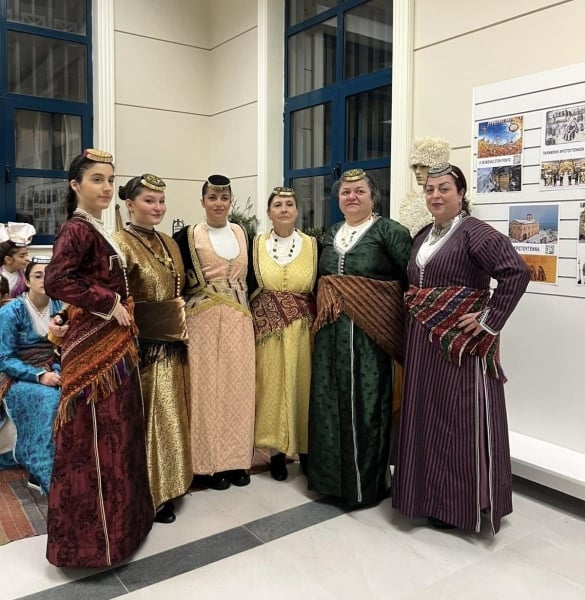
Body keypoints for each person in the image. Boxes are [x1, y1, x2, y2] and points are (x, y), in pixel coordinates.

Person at [392, 162, 530, 534]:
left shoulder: (475, 233)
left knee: (457, 419)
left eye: (444, 189)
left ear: (461, 193)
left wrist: (489, 319)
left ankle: (456, 504)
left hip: (461, 346)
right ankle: (423, 497)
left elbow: (516, 272)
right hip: (423, 341)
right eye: (430, 190)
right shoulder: (423, 235)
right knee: (425, 415)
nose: (435, 196)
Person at [44, 149, 153, 567]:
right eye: (96, 179)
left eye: (110, 179)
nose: (106, 187)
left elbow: (78, 284)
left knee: (118, 435)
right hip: (95, 355)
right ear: (75, 185)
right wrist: (109, 303)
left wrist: (86, 310)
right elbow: (57, 279)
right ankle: (93, 545)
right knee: (95, 439)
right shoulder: (76, 229)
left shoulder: (95, 227)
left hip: (113, 346)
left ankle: (123, 532)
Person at [308, 168, 412, 508]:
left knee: (367, 406)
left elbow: (408, 283)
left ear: (373, 197)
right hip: (330, 336)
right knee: (328, 401)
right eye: (345, 192)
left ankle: (364, 486)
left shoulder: (390, 231)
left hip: (370, 338)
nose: (351, 197)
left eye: (359, 191)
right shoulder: (331, 232)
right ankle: (330, 482)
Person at [114, 174, 192, 524]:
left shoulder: (169, 242)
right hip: (143, 347)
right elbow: (116, 299)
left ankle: (174, 481)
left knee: (172, 412)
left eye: (161, 201)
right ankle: (152, 493)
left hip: (174, 344)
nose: (158, 207)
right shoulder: (119, 243)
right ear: (130, 205)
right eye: (149, 201)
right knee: (153, 417)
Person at [174, 174, 255, 491]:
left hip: (239, 319)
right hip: (202, 320)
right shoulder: (189, 236)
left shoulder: (241, 233)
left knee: (239, 388)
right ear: (203, 201)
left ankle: (236, 460)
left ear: (230, 201)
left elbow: (252, 279)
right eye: (212, 197)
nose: (218, 203)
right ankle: (207, 464)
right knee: (205, 390)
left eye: (224, 198)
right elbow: (176, 281)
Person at [248, 186, 317, 481]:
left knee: (303, 387)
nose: (284, 209)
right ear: (269, 212)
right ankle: (276, 454)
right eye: (278, 205)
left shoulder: (313, 245)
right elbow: (248, 286)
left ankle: (306, 451)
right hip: (268, 332)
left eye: (289, 204)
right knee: (271, 389)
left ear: (297, 211)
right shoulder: (255, 245)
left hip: (303, 331)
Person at [0, 258, 62, 493]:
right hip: (19, 373)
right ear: (26, 281)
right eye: (38, 275)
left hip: (56, 366)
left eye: (49, 274)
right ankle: (40, 467)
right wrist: (39, 375)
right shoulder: (11, 312)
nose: (44, 280)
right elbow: (4, 357)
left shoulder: (61, 307)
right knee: (49, 399)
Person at [399, 137, 450, 236]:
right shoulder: (409, 203)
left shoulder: (452, 200)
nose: (417, 171)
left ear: (437, 167)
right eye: (415, 167)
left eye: (423, 166)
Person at [0, 222, 36, 298]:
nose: (27, 259)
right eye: (22, 256)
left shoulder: (26, 278)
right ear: (8, 259)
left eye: (27, 255)